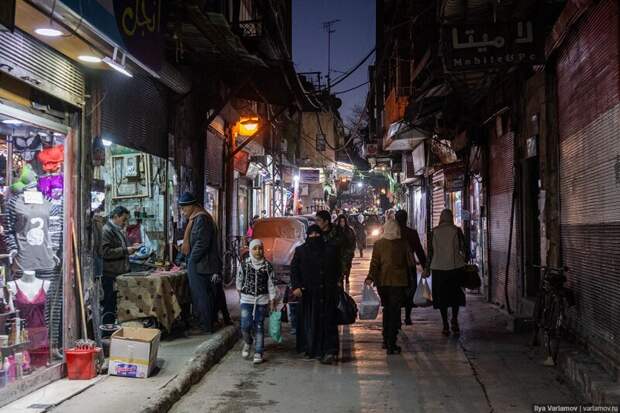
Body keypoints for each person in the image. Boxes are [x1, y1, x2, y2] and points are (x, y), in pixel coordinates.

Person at [291, 225, 341, 364]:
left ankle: (329, 350)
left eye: (316, 234)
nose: (314, 237)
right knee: (311, 323)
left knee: (328, 322)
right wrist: (296, 286)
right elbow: (294, 270)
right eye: (311, 234)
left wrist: (335, 283)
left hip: (327, 293)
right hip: (308, 294)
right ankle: (313, 349)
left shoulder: (330, 249)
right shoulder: (301, 251)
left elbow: (337, 268)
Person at [365, 220, 411, 354]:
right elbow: (410, 263)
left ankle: (386, 339)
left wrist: (370, 277)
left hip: (383, 282)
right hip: (398, 282)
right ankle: (392, 342)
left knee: (387, 309)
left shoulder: (379, 244)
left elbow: (374, 263)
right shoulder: (403, 244)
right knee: (395, 311)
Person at [179, 192, 222, 334]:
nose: (183, 211)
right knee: (202, 295)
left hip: (202, 265)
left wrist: (191, 260)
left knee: (201, 296)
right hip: (201, 264)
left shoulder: (202, 219)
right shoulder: (197, 218)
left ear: (192, 206)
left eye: (184, 208)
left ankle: (205, 326)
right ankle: (206, 323)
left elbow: (202, 243)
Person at [424, 209, 467, 336]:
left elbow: (430, 253)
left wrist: (427, 268)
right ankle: (454, 319)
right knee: (455, 296)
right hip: (455, 268)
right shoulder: (457, 230)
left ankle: (445, 325)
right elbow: (464, 248)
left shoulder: (434, 232)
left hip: (438, 269)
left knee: (441, 298)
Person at [236, 239, 277, 364]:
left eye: (260, 248)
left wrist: (272, 301)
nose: (258, 251)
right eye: (255, 248)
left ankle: (259, 351)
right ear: (250, 250)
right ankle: (248, 342)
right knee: (245, 325)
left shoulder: (267, 266)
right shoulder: (244, 264)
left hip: (261, 301)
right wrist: (240, 295)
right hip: (246, 300)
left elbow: (271, 285)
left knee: (259, 325)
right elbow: (239, 281)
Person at [101, 206, 141, 325]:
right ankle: (107, 332)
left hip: (119, 273)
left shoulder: (116, 230)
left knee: (117, 304)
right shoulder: (106, 230)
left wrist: (131, 248)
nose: (125, 222)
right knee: (110, 304)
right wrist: (126, 250)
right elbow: (105, 253)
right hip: (111, 274)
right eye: (123, 219)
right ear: (116, 216)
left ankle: (114, 329)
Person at [395, 210, 427, 325]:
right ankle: (407, 317)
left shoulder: (393, 233)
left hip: (395, 267)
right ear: (406, 218)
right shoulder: (412, 233)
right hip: (409, 265)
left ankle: (397, 318)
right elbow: (419, 250)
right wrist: (425, 266)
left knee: (397, 292)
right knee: (409, 291)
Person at [315, 210, 344, 283]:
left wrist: (340, 275)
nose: (316, 223)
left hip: (333, 274)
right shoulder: (314, 234)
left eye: (319, 220)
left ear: (326, 222)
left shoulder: (337, 234)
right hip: (318, 275)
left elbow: (343, 255)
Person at [336, 214, 356, 285]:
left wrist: (351, 250)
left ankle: (347, 278)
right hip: (339, 253)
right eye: (340, 221)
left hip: (348, 253)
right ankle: (340, 279)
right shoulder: (336, 230)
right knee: (340, 268)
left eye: (343, 221)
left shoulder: (350, 230)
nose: (342, 223)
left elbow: (353, 240)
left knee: (348, 266)